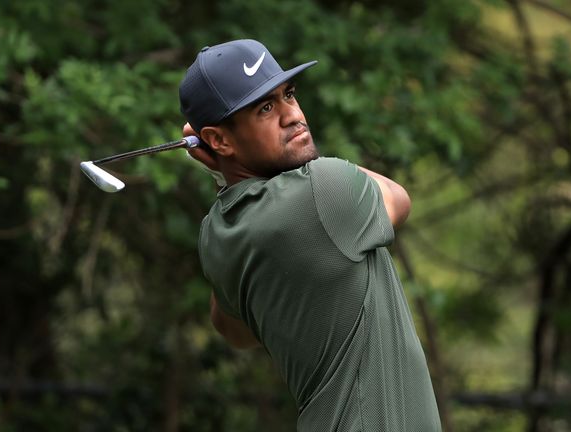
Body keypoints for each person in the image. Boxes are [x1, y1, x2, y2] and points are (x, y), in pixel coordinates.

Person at [179, 39, 441, 431]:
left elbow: (235, 331)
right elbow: (398, 200)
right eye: (265, 108)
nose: (293, 116)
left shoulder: (216, 234)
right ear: (219, 140)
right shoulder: (325, 188)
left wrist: (224, 175)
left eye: (289, 95)